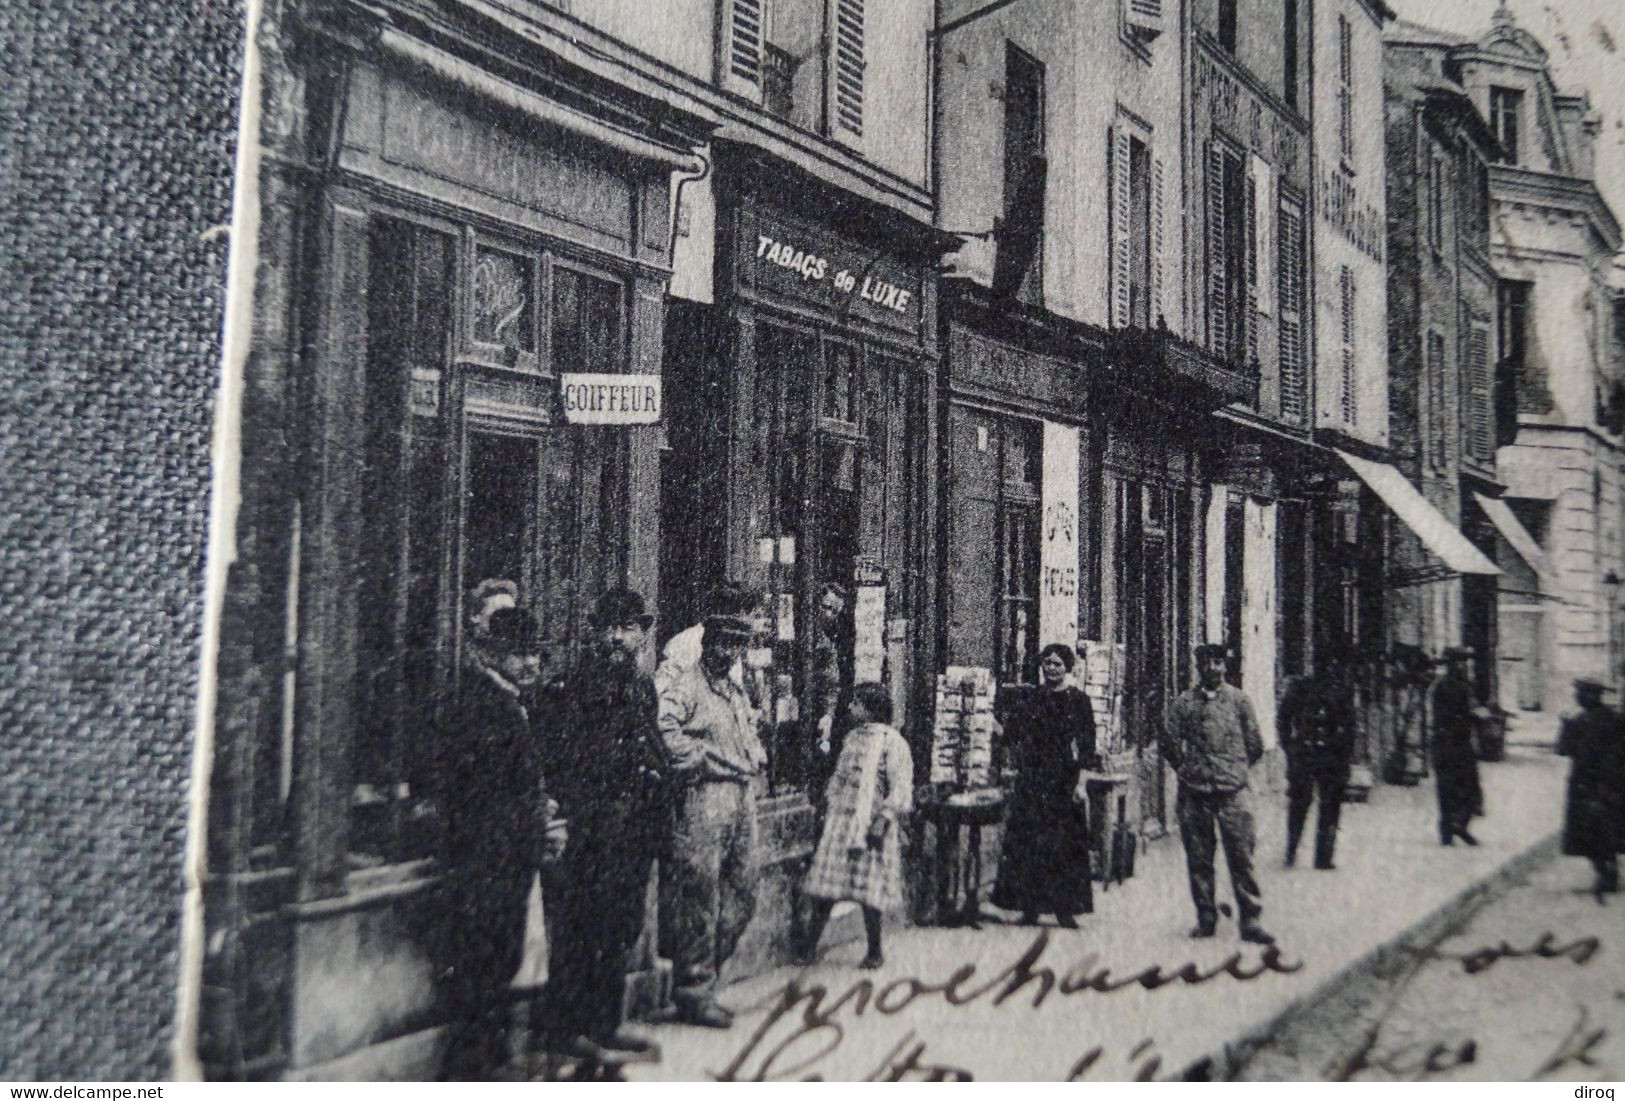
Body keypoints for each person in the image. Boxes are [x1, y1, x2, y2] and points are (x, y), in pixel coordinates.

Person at [535, 589, 672, 1065]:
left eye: (628, 628)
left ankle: (605, 1023)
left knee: (620, 927)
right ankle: (567, 1029)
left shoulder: (641, 686)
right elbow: (560, 760)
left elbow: (648, 746)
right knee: (581, 928)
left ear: (642, 634)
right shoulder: (574, 687)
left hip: (631, 829)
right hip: (591, 830)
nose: (617, 637)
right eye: (608, 627)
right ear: (594, 632)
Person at [433, 607, 548, 1080]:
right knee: (484, 959)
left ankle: (492, 1058)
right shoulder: (483, 703)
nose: (530, 664)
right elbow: (478, 789)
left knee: (501, 956)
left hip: (506, 853)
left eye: (534, 655)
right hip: (488, 855)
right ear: (493, 654)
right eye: (518, 655)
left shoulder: (509, 700)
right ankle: (474, 1065)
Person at [657, 614, 766, 1028]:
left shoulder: (735, 688)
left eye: (735, 645)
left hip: (742, 794)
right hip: (705, 794)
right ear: (707, 643)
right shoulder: (685, 683)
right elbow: (663, 728)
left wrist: (754, 750)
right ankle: (694, 989)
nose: (727, 652)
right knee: (699, 894)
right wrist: (698, 760)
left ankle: (706, 976)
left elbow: (744, 730)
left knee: (745, 890)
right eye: (721, 643)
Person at [1161, 643, 1275, 945]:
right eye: (1207, 663)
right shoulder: (1184, 703)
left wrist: (1234, 769)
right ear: (1198, 667)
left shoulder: (1239, 702)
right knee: (1199, 858)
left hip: (1232, 791)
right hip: (1195, 791)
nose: (1213, 668)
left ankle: (1251, 919)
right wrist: (1187, 768)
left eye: (1218, 663)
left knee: (1241, 856)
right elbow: (1169, 741)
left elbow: (1255, 744)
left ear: (1225, 666)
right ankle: (1206, 917)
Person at [797, 682, 914, 969]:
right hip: (841, 823)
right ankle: (810, 947)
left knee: (869, 891)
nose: (850, 708)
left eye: (856, 703)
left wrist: (885, 818)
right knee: (827, 887)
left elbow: (900, 786)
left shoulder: (892, 742)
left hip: (872, 825)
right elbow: (838, 777)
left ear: (870, 708)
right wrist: (829, 805)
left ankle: (875, 950)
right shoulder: (851, 738)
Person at [990, 643, 1099, 927]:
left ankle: (1065, 909)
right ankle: (1029, 908)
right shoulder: (1031, 698)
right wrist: (989, 722)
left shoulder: (1079, 701)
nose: (1051, 668)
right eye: (1047, 663)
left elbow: (1088, 745)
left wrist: (1081, 783)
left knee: (1062, 845)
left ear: (1068, 668)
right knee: (1029, 843)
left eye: (1057, 664)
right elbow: (1012, 734)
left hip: (1063, 779)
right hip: (1032, 778)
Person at [1278, 664, 1356, 870]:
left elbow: (1350, 728)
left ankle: (1321, 856)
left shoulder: (1340, 691)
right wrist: (1290, 747)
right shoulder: (1300, 689)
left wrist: (1344, 757)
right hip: (1306, 754)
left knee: (1327, 806)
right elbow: (1283, 719)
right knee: (1300, 804)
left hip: (1329, 756)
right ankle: (1293, 849)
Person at [1556, 677, 1625, 895]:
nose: (1577, 697)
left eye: (1581, 693)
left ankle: (1606, 872)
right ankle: (1607, 869)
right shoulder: (1592, 720)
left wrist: (1564, 726)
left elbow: (1563, 750)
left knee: (1596, 830)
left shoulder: (1601, 721)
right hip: (1596, 783)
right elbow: (1564, 750)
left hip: (1596, 783)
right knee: (1597, 831)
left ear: (1592, 695)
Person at [1430, 647, 1483, 847]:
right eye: (1460, 662)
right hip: (1456, 743)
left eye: (1464, 662)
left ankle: (1449, 831)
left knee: (1447, 788)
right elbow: (1468, 712)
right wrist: (1477, 714)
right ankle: (1458, 825)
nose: (1463, 666)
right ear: (1452, 664)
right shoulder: (1460, 687)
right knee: (1468, 788)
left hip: (1443, 742)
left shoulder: (1439, 686)